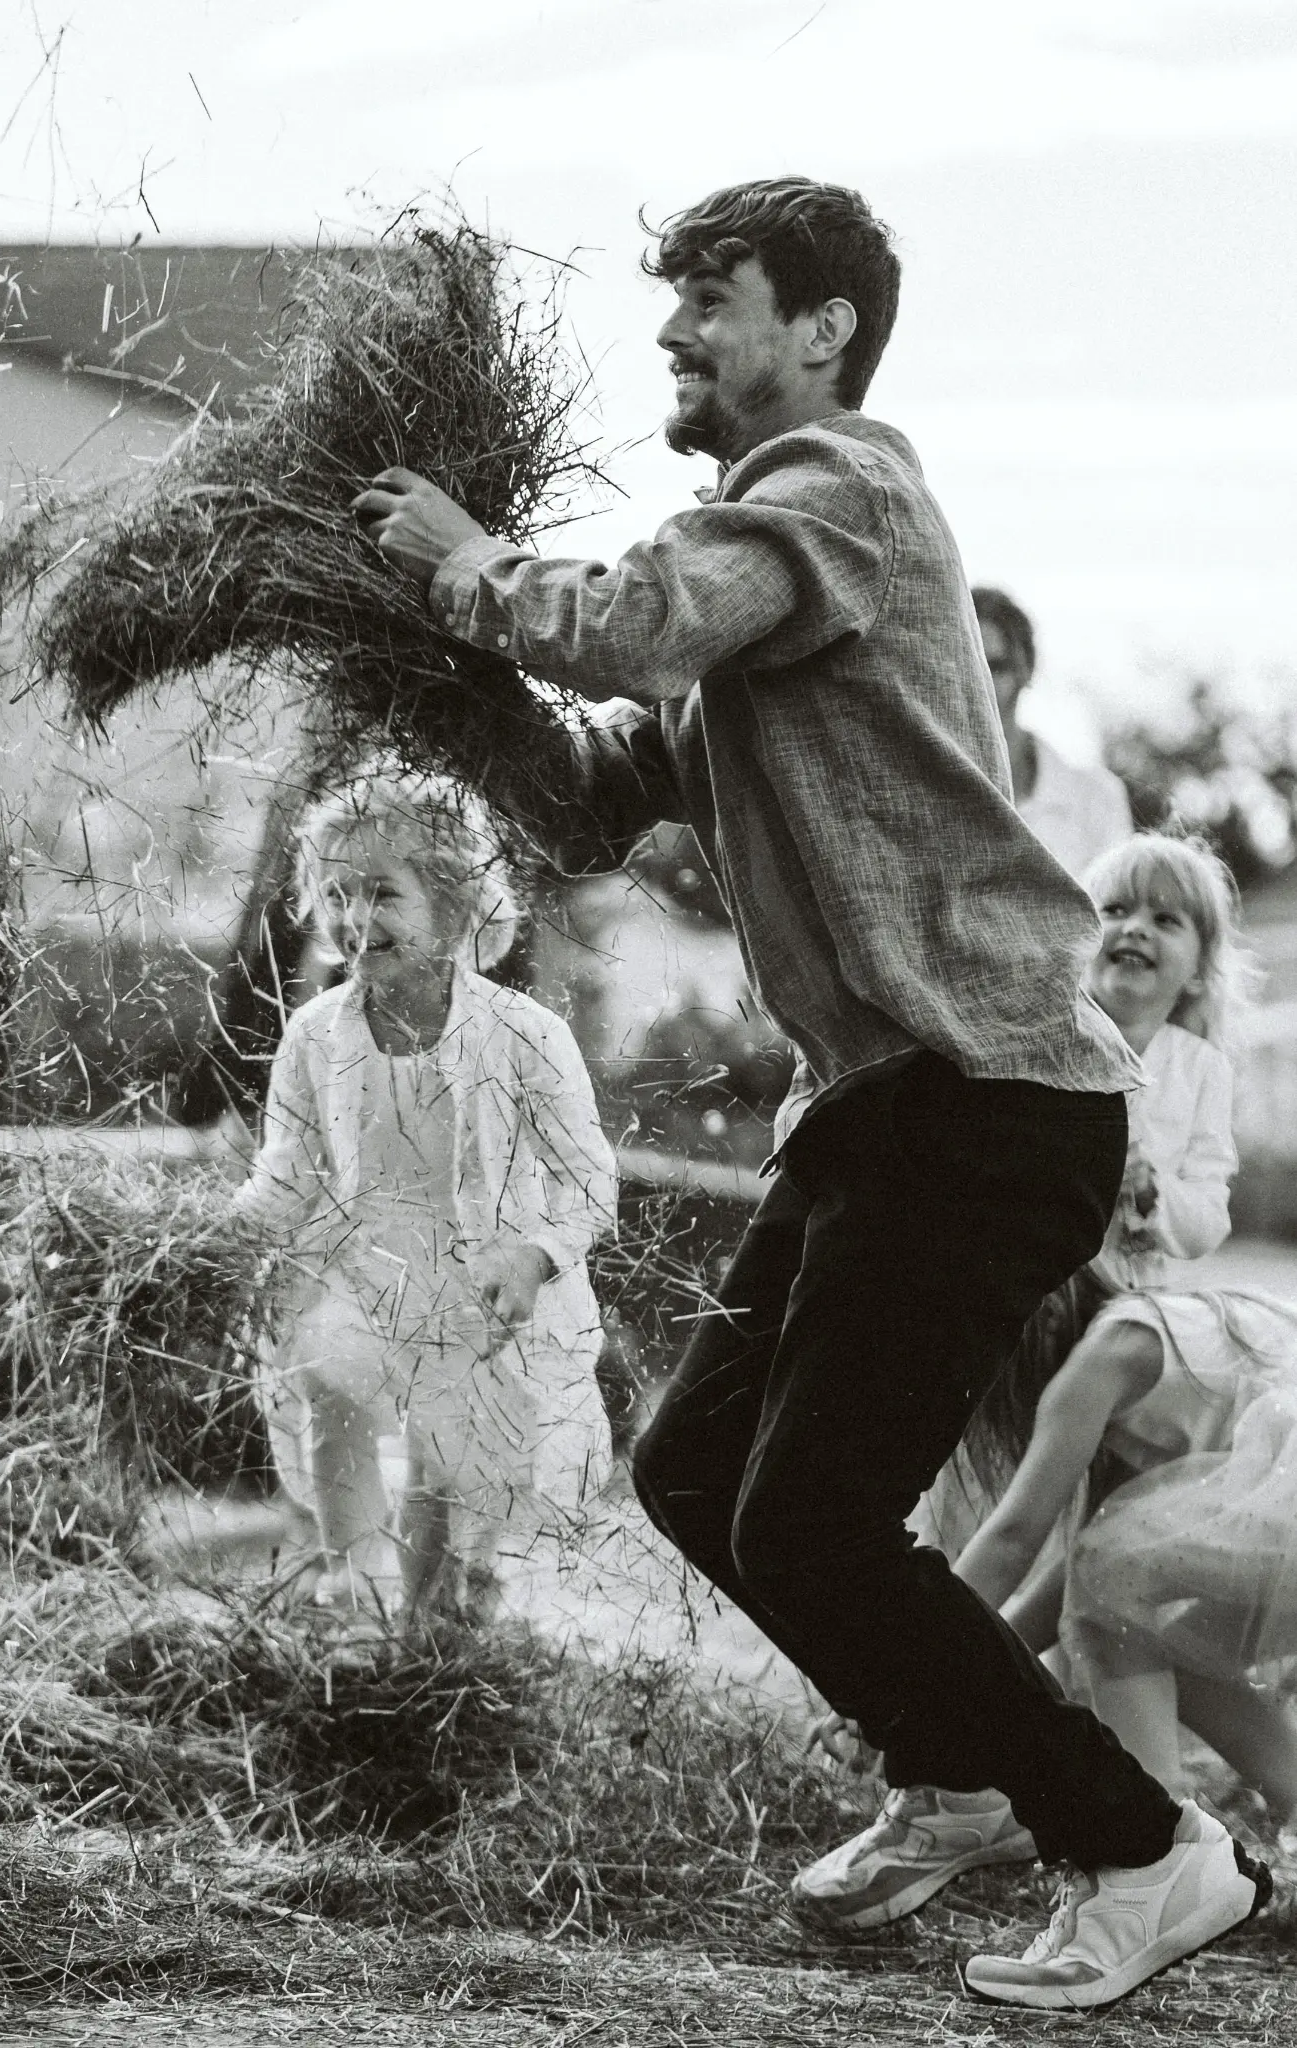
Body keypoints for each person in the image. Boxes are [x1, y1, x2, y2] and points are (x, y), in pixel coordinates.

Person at [351, 178, 1269, 2007]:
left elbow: (620, 624)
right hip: (882, 1106)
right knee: (695, 1466)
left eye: (715, 300)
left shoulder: (837, 491)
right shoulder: (757, 574)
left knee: (816, 1519)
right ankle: (951, 1766)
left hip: (991, 1093)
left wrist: (472, 564)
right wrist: (429, 665)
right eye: (677, 303)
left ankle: (1149, 1846)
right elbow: (603, 781)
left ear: (823, 330)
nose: (678, 335)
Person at [794, 832, 1297, 1932]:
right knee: (1128, 1613)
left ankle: (1154, 1858)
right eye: (1113, 906)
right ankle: (1170, 1842)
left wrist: (902, 1681)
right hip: (1172, 1354)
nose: (1134, 929)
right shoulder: (1056, 1045)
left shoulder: (1193, 1083)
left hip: (1161, 1319)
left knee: (1106, 1607)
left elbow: (1019, 1545)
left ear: (1200, 963)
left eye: (1165, 919)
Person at [233, 768, 616, 1623]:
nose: (352, 916)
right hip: (363, 1269)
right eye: (333, 892)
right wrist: (210, 1245)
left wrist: (534, 1253)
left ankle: (432, 1620)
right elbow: (286, 1170)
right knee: (327, 1373)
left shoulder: (524, 1035)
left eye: (382, 892)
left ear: (455, 907)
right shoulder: (315, 1035)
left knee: (451, 1469)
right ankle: (349, 1581)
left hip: (478, 1283)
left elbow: (588, 1176)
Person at [974, 586, 1133, 877]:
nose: (981, 684)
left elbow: (1115, 908)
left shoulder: (1097, 797)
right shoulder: (924, 792)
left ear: (1027, 671)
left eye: (996, 667)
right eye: (969, 666)